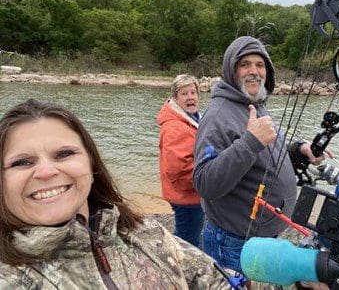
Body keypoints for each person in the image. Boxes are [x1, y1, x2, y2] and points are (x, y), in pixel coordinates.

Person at [0, 99, 229, 289]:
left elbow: (216, 279)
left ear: (91, 165)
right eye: (22, 162)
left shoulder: (146, 234)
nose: (46, 172)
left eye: (64, 154)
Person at [193, 36, 329, 272]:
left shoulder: (253, 103)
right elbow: (205, 183)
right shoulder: (218, 116)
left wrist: (299, 151)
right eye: (245, 64)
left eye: (260, 64)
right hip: (235, 242)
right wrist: (250, 142)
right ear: (230, 70)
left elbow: (264, 154)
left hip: (263, 235)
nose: (254, 71)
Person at [157, 74, 204, 248]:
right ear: (175, 98)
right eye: (184, 93)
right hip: (186, 196)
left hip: (189, 194)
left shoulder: (189, 119)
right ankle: (179, 269)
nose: (190, 97)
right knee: (187, 241)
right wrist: (206, 181)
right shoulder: (175, 127)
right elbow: (176, 170)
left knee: (187, 234)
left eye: (193, 92)